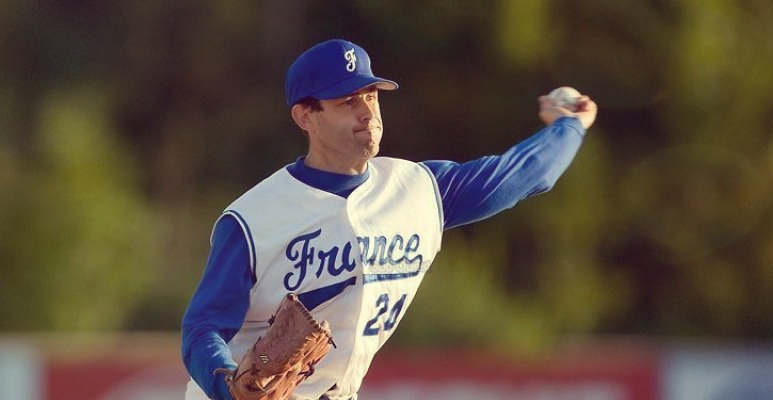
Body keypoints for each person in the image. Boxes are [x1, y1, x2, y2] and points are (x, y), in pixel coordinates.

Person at [181, 38, 597, 400]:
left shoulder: (418, 189)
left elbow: (524, 174)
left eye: (372, 95)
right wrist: (226, 381)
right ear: (305, 116)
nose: (367, 112)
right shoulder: (253, 219)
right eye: (347, 101)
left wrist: (569, 127)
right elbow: (202, 327)